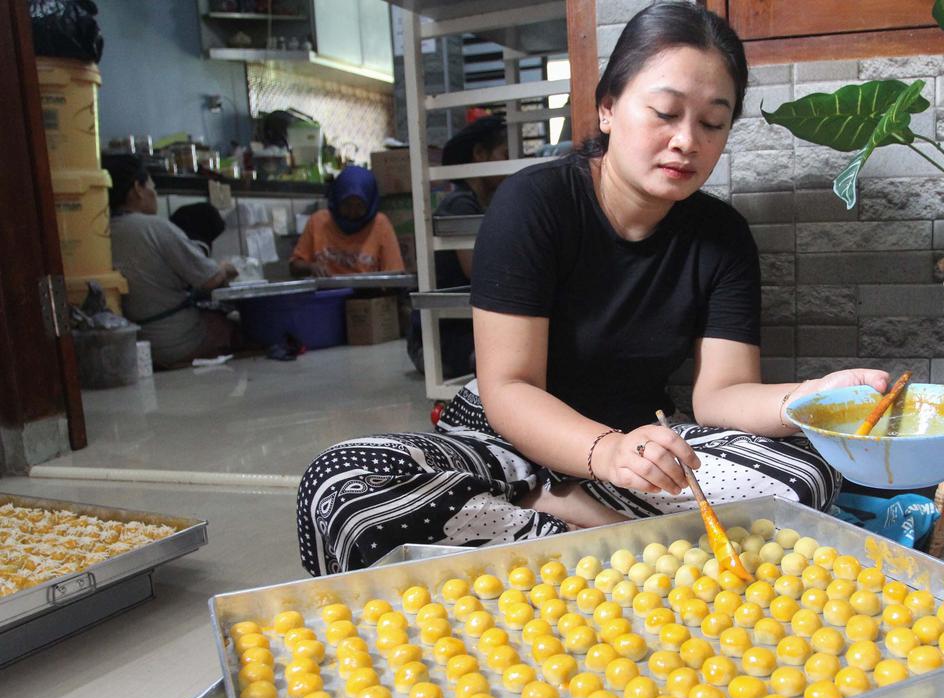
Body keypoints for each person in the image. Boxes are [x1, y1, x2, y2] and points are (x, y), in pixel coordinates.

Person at [296, 4, 888, 576]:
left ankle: (567, 539)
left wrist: (813, 400)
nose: (688, 140)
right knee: (339, 486)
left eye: (712, 122)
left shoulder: (721, 237)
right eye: (665, 112)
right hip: (505, 441)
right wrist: (601, 451)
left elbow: (721, 396)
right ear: (607, 108)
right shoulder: (535, 203)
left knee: (807, 475)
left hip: (639, 451)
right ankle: (597, 532)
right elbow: (509, 386)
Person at [103, 155, 240, 369]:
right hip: (175, 342)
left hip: (130, 346)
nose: (154, 193)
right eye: (152, 186)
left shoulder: (100, 234)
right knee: (240, 326)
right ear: (138, 188)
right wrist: (225, 268)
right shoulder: (154, 228)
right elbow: (210, 279)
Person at [408, 115, 508, 379]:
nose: (509, 164)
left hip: (462, 330)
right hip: (442, 341)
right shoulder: (460, 206)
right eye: (504, 154)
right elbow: (474, 270)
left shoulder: (477, 205)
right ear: (479, 154)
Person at [290, 165, 405, 277]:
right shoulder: (318, 222)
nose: (352, 212)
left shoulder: (380, 225)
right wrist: (311, 267)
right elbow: (294, 266)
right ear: (337, 200)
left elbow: (395, 274)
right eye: (346, 205)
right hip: (327, 294)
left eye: (359, 206)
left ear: (370, 205)